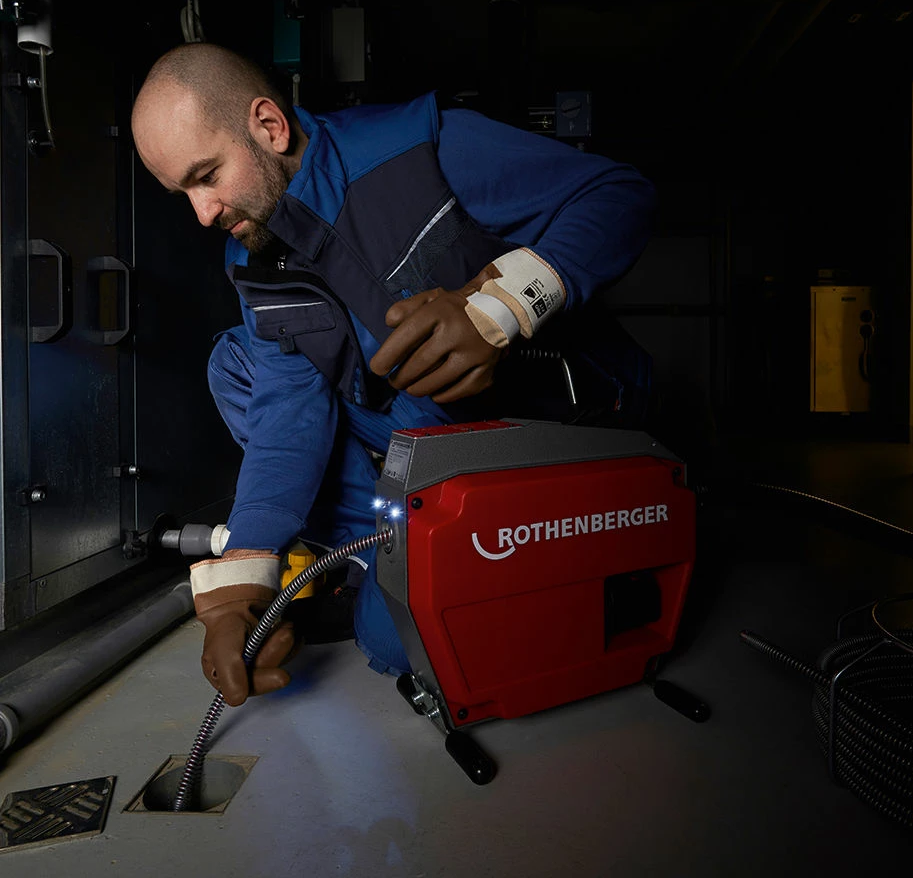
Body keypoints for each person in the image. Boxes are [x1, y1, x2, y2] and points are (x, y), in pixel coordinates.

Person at [131, 42, 658, 707]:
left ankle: (443, 547)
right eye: (183, 192)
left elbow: (620, 196)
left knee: (390, 644)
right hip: (426, 419)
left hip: (563, 406)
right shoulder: (254, 262)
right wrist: (245, 571)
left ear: (269, 126)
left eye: (207, 175)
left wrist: (500, 308)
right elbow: (288, 414)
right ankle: (372, 546)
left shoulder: (423, 151)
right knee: (239, 364)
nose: (203, 213)